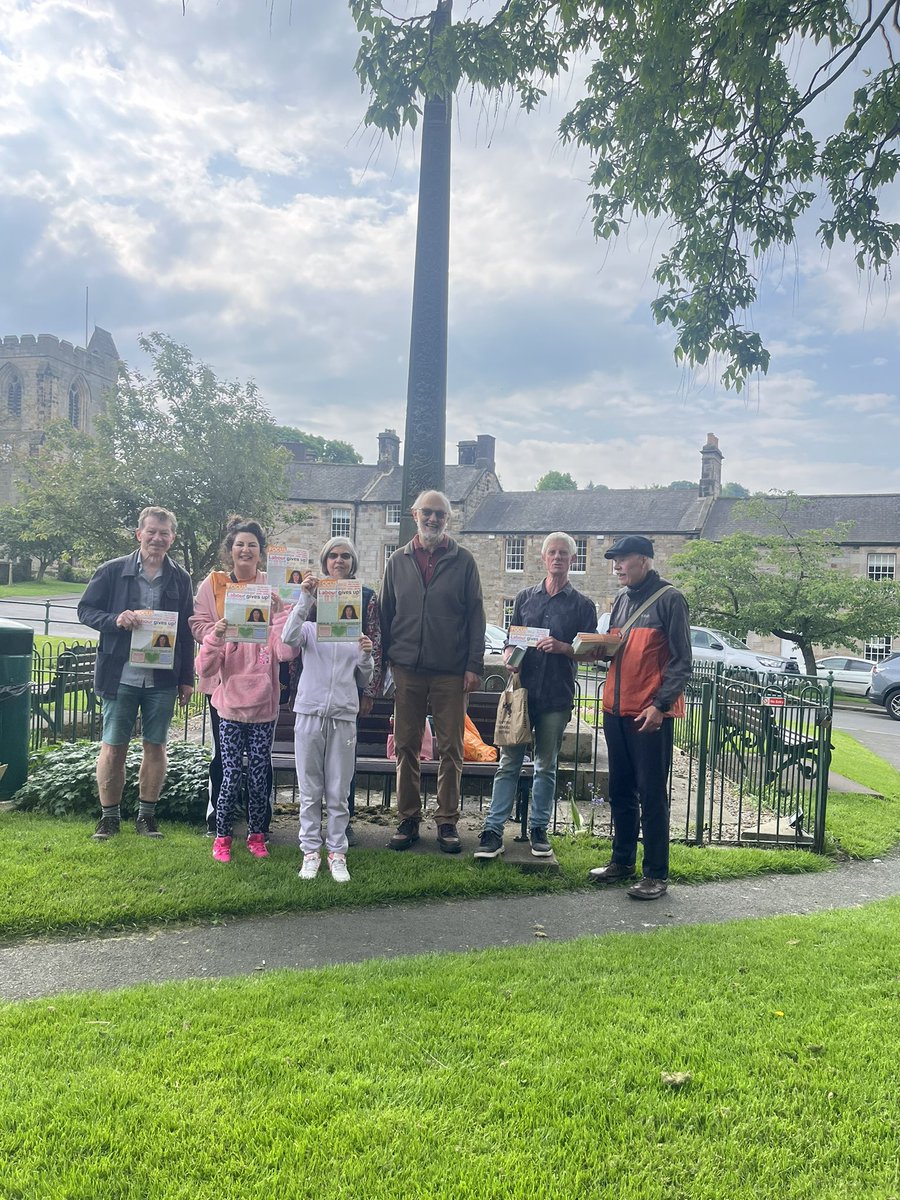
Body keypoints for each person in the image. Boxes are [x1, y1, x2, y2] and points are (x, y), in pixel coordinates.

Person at [474, 533, 597, 860]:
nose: (557, 558)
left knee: (546, 766)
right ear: (543, 558)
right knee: (508, 763)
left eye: (563, 554)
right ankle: (493, 830)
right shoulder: (525, 598)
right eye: (552, 553)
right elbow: (511, 642)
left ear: (573, 560)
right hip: (523, 695)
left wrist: (563, 647)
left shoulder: (583, 606)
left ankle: (539, 830)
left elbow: (591, 653)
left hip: (556, 695)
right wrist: (510, 656)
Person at [78, 506, 194, 841]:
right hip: (120, 675)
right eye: (152, 531)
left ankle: (146, 817)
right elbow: (85, 609)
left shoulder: (181, 578)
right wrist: (115, 620)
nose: (158, 538)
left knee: (155, 746)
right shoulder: (112, 571)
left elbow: (185, 633)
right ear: (139, 534)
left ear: (172, 538)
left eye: (165, 533)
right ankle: (109, 819)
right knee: (114, 747)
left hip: (161, 678)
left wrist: (186, 678)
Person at [380, 489, 486, 853]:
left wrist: (473, 666)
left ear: (448, 520)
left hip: (451, 672)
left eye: (440, 514)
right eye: (427, 512)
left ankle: (446, 821)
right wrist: (389, 661)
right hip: (407, 669)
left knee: (451, 749)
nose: (433, 519)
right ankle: (408, 819)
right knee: (406, 746)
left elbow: (476, 617)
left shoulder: (464, 561)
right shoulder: (397, 561)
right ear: (415, 514)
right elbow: (385, 614)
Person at [587, 535, 691, 900]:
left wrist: (660, 705)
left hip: (649, 714)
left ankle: (656, 874)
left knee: (651, 794)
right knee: (620, 791)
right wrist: (597, 651)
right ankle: (622, 861)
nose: (617, 565)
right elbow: (620, 652)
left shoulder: (670, 599)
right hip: (615, 710)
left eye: (623, 559)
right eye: (614, 560)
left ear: (644, 560)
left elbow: (682, 661)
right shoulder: (620, 601)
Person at [280, 570, 374, 882]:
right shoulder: (308, 628)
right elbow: (287, 638)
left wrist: (366, 656)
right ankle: (310, 850)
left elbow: (363, 678)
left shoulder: (354, 635)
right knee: (309, 788)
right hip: (309, 711)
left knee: (338, 789)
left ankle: (337, 852)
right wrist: (304, 598)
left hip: (343, 715)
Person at [190, 517, 277, 837]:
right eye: (240, 544)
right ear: (230, 550)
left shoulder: (271, 582)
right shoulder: (213, 583)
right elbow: (197, 623)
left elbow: (287, 620)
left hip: (261, 685)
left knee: (260, 761)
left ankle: (260, 825)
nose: (245, 550)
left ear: (261, 552)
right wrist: (220, 632)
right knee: (223, 760)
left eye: (252, 545)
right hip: (222, 684)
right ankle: (218, 822)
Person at [196, 603, 295, 863]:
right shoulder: (229, 634)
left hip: (263, 715)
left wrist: (280, 615)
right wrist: (215, 636)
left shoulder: (271, 632)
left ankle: (257, 836)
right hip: (229, 715)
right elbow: (204, 669)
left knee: (259, 777)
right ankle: (222, 837)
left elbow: (288, 651)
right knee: (230, 778)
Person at [301, 537, 384, 846]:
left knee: (343, 766)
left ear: (353, 562)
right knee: (312, 769)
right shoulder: (314, 594)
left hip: (349, 692)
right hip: (315, 691)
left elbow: (374, 641)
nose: (339, 561)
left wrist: (369, 692)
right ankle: (311, 832)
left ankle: (342, 826)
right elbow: (299, 640)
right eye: (333, 556)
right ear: (325, 561)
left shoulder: (365, 596)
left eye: (346, 556)